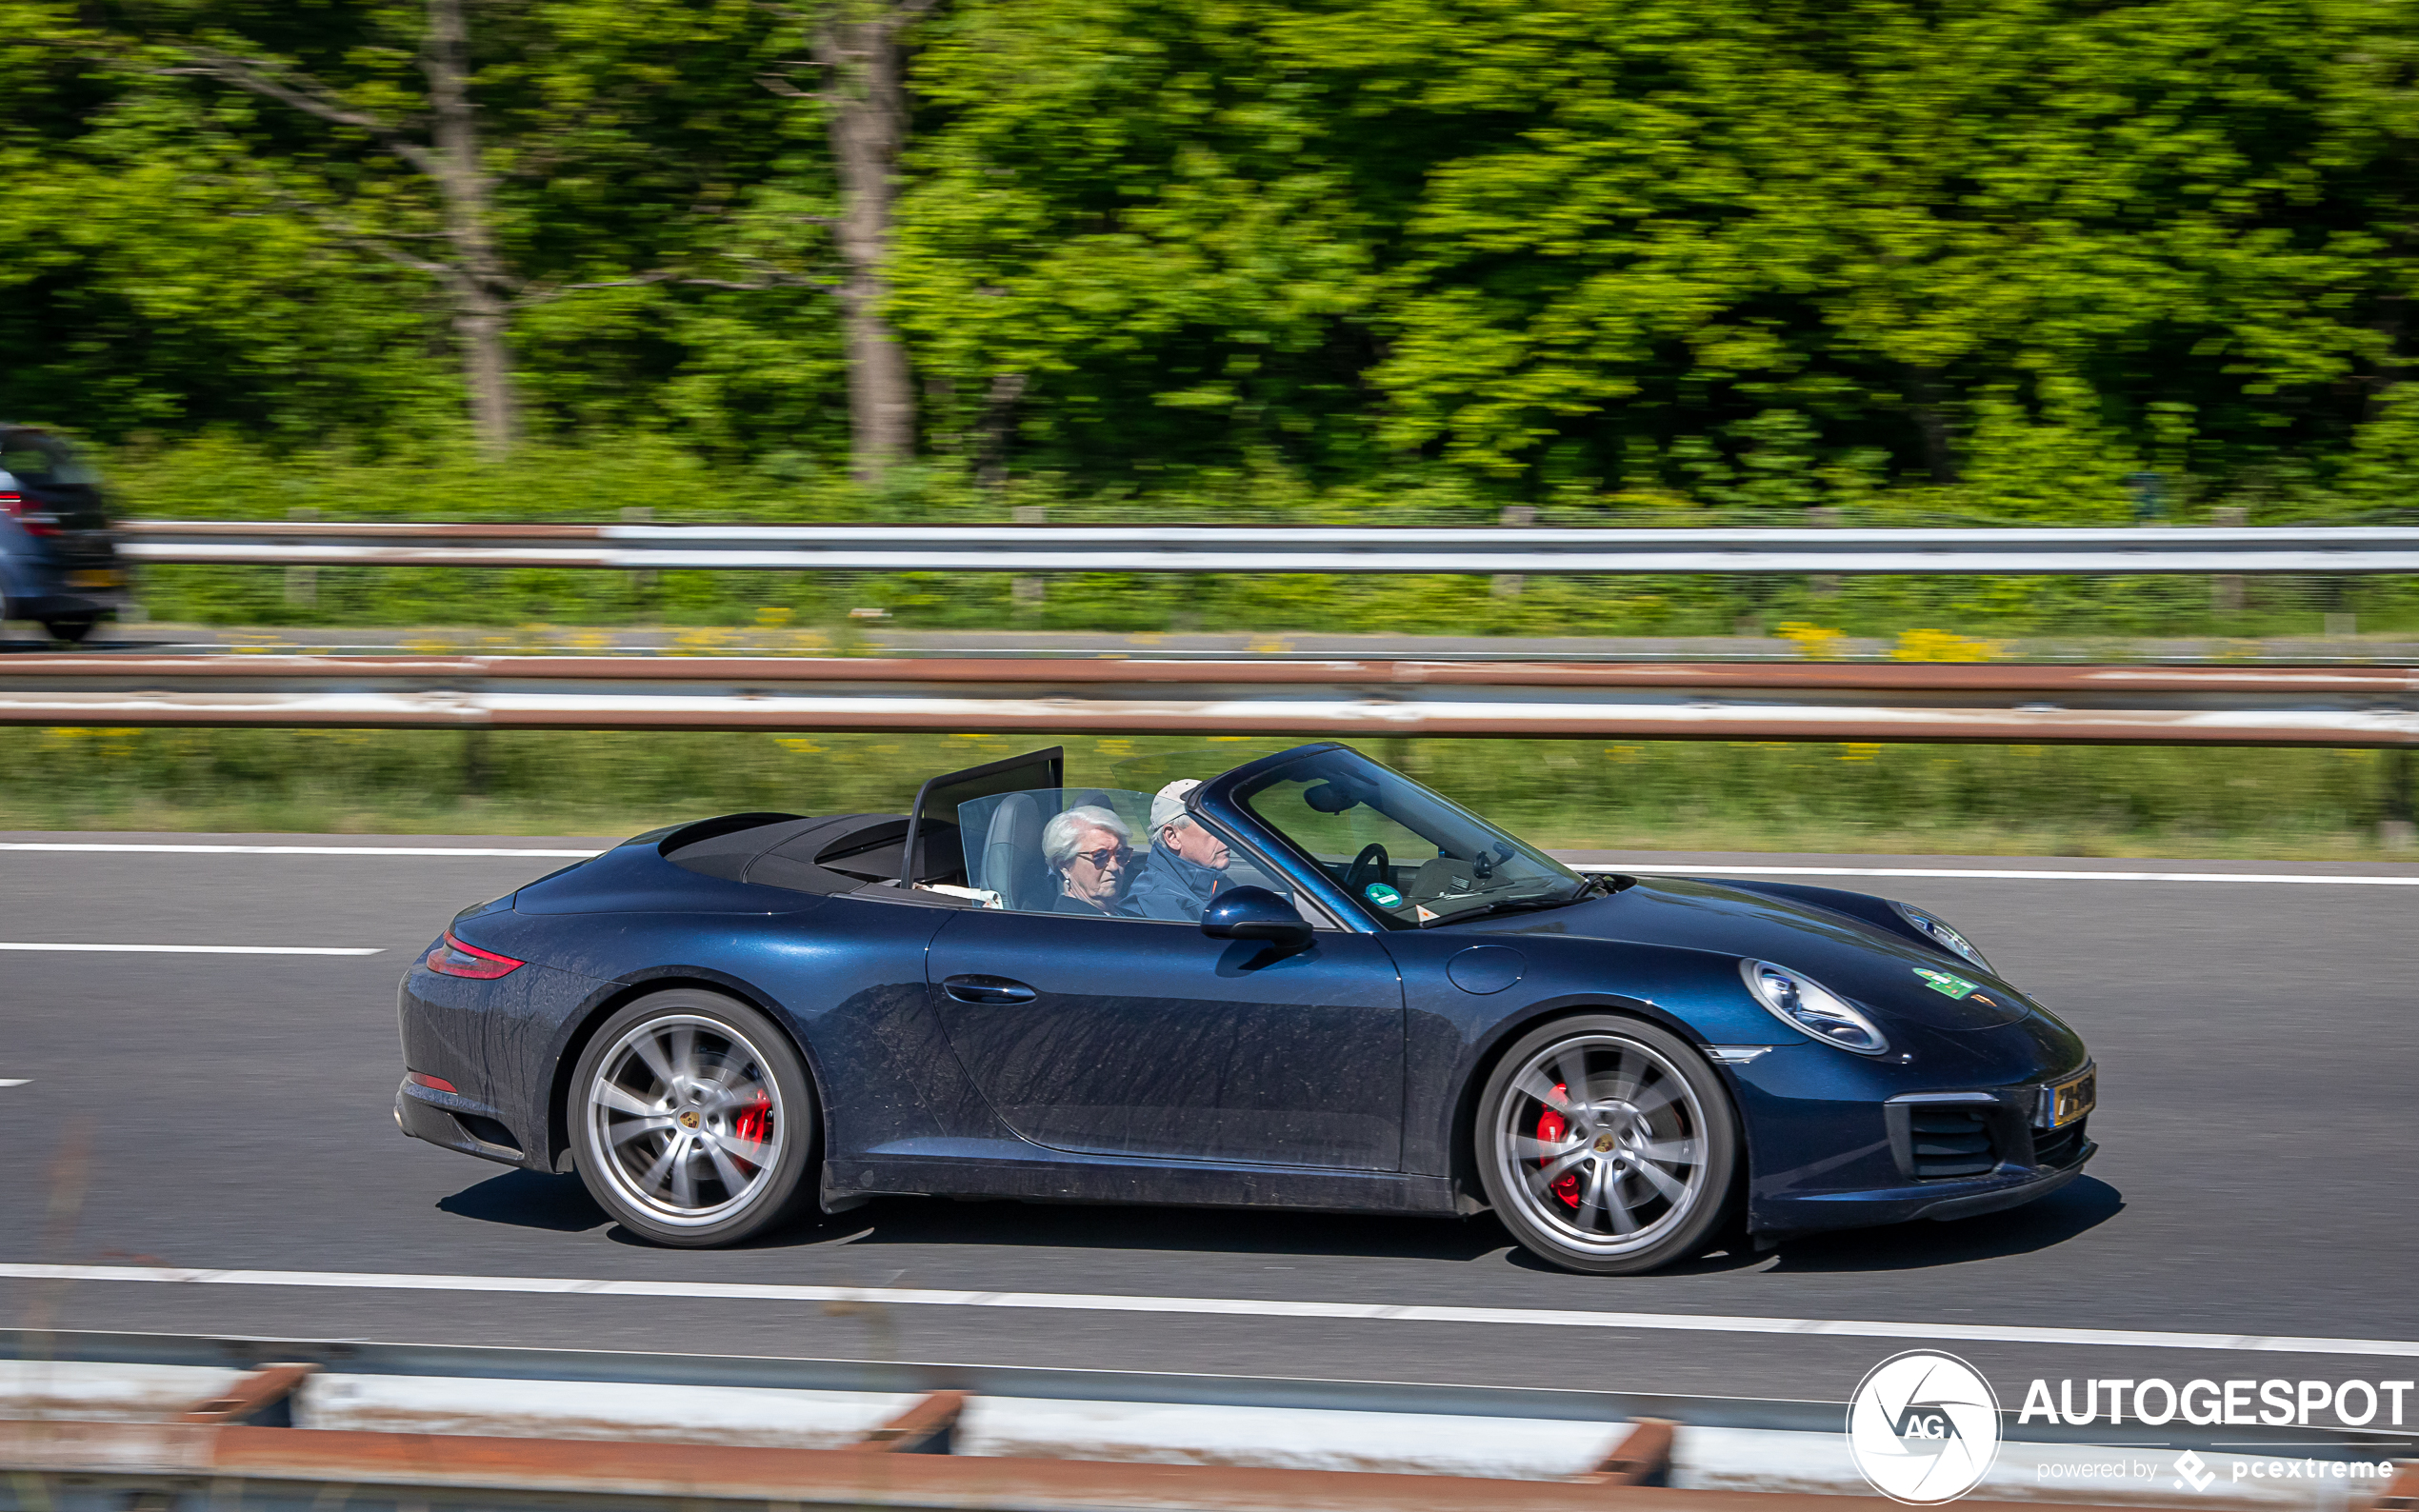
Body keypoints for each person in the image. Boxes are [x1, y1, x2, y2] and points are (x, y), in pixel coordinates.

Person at [1125, 779, 1234, 922]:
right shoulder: (1157, 902)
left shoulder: (1211, 882)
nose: (1227, 834)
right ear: (1173, 837)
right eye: (1211, 825)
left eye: (1225, 823)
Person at [1040, 805, 1136, 916]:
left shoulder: (1121, 912)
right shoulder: (1072, 924)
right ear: (1065, 866)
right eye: (1100, 856)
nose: (1114, 866)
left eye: (1121, 854)